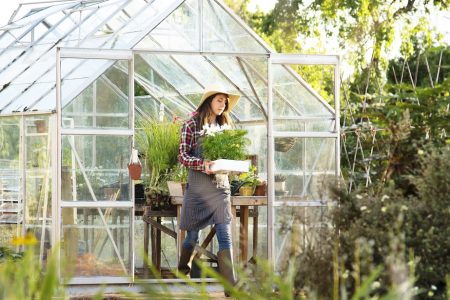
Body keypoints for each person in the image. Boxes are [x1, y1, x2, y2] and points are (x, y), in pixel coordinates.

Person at [177, 84, 240, 294]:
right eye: (219, 100)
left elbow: (232, 156)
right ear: (209, 101)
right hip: (197, 189)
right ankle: (182, 268)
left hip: (220, 188)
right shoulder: (191, 125)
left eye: (225, 101)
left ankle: (230, 286)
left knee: (224, 233)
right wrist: (201, 164)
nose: (223, 105)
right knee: (192, 236)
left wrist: (233, 167)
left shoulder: (227, 127)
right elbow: (183, 155)